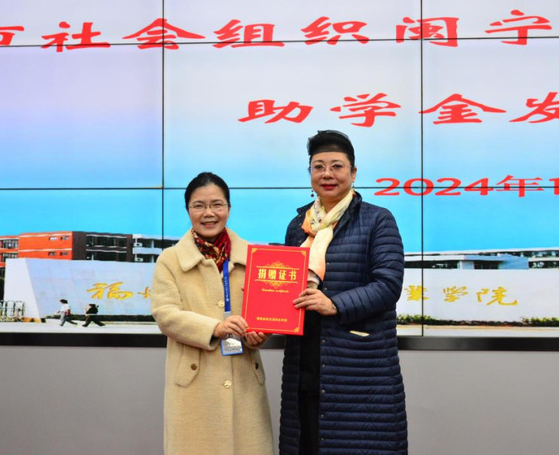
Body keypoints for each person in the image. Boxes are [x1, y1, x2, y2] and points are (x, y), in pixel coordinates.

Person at [279, 130, 407, 455]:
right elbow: (285, 284)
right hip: (305, 358)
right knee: (306, 441)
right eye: (318, 166)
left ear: (353, 172)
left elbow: (388, 285)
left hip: (358, 364)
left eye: (336, 166)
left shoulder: (378, 220)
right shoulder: (298, 225)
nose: (327, 174)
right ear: (309, 172)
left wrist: (334, 304)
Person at [151, 172, 274, 455]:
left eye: (217, 204)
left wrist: (260, 335)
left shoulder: (255, 257)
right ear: (188, 210)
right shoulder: (170, 260)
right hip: (195, 381)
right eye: (199, 206)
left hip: (244, 377)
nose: (209, 213)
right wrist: (215, 328)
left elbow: (266, 314)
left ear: (228, 208)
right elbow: (165, 313)